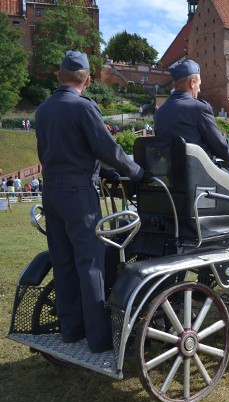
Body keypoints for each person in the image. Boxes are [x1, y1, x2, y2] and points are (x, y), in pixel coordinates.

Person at [35, 50, 146, 353]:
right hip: (78, 193)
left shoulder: (43, 109)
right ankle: (98, 339)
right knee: (91, 264)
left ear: (60, 76)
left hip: (51, 192)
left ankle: (71, 330)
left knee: (63, 261)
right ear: (86, 80)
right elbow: (108, 150)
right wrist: (137, 172)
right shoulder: (83, 107)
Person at [154, 59, 229, 241]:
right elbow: (220, 145)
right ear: (192, 83)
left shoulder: (160, 112)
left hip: (171, 182)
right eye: (199, 84)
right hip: (201, 180)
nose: (199, 89)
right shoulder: (198, 108)